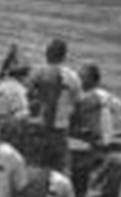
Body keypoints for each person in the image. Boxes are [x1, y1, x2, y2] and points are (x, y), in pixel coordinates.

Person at [24, 38, 80, 172]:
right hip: (60, 129)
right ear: (64, 56)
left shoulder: (38, 72)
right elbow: (77, 102)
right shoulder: (72, 77)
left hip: (39, 126)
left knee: (35, 163)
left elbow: (26, 94)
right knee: (60, 166)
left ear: (47, 53)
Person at [71, 63, 120, 150]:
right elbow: (118, 105)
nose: (78, 81)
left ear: (93, 81)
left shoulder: (86, 98)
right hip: (106, 137)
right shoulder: (105, 94)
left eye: (82, 77)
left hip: (96, 139)